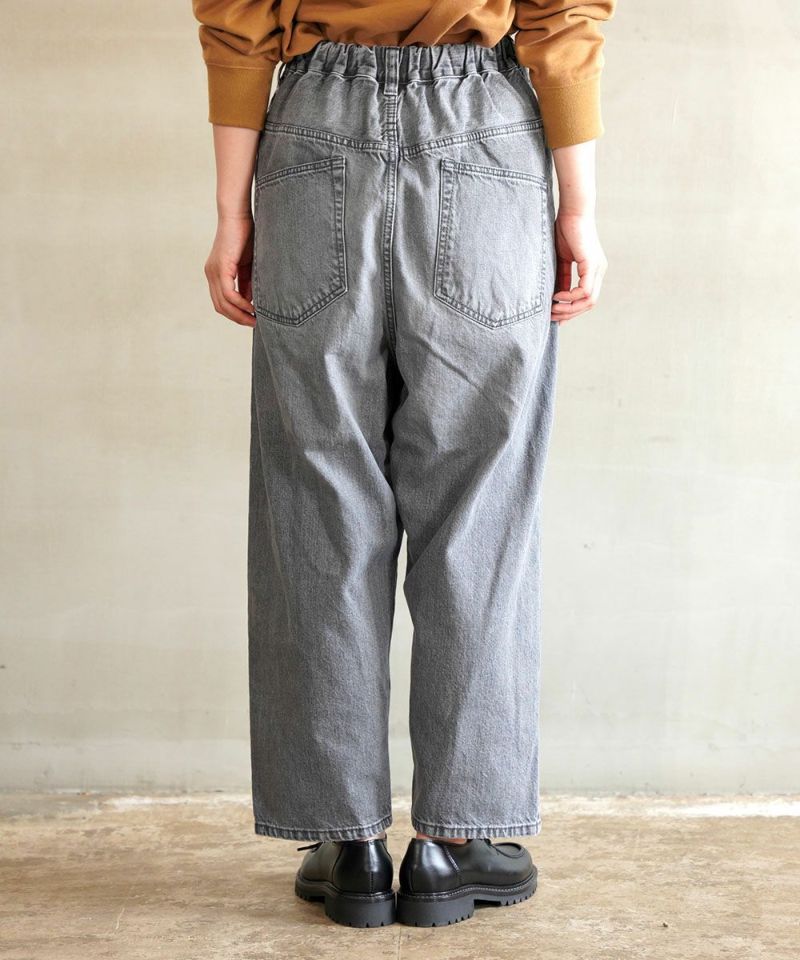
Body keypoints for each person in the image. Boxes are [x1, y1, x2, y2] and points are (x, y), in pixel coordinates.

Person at [191, 0, 615, 929]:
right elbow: (561, 18)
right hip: (484, 134)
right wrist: (578, 205)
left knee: (318, 495)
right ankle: (452, 844)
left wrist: (231, 211)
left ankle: (346, 846)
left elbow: (238, 22)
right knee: (480, 506)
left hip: (312, 132)